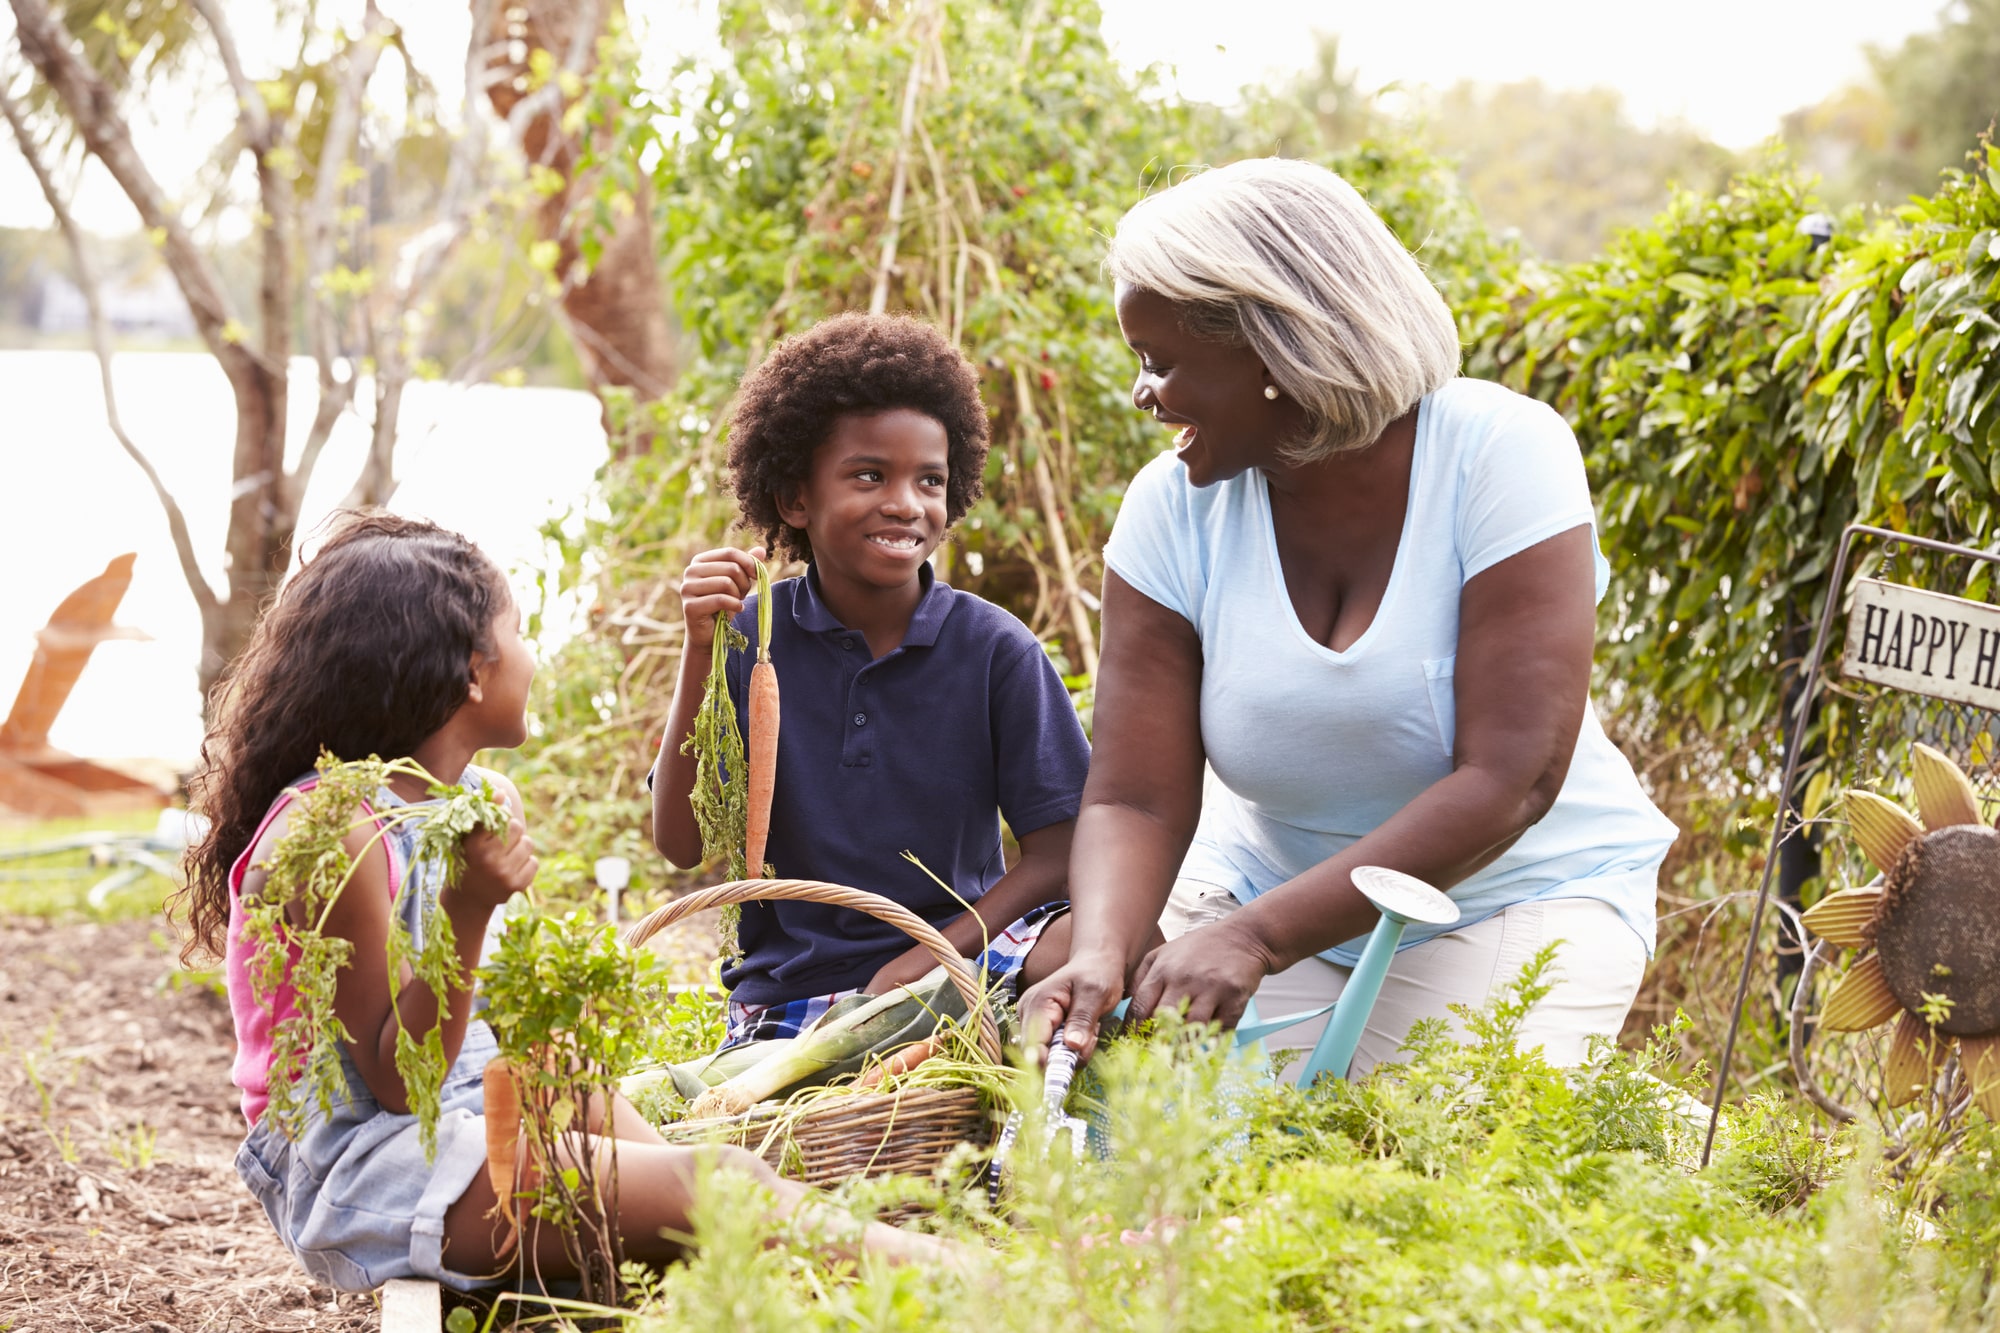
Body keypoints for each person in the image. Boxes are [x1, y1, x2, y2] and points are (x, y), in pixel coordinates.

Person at [1020, 158, 1680, 1078]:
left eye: (1161, 362)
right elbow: (1136, 794)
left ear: (1269, 353)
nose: (1145, 394)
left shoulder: (1500, 456)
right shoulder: (1172, 509)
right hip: (1266, 889)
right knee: (1157, 1125)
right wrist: (1101, 948)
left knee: (1418, 1157)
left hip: (1512, 896)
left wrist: (1255, 939)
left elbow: (1510, 777)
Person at [179, 512, 943, 1295]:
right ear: (472, 671)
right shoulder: (335, 833)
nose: (533, 657)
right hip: (372, 1163)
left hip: (477, 1106)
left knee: (617, 1119)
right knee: (718, 1185)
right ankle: (979, 1285)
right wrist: (468, 908)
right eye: (517, 631)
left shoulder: (481, 799)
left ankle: (749, 1266)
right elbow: (397, 1086)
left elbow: (501, 1025)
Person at [651, 313, 1093, 1044]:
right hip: (798, 989)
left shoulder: (994, 650)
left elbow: (1062, 851)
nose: (905, 503)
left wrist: (931, 952)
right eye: (869, 475)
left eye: (930, 480)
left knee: (1115, 937)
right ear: (796, 499)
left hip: (965, 960)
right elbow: (681, 842)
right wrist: (699, 648)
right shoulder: (749, 638)